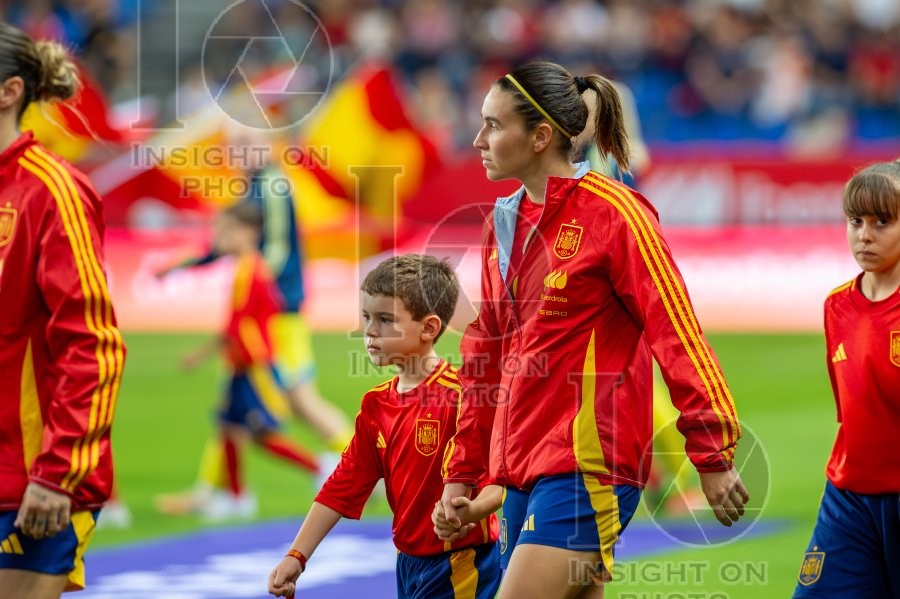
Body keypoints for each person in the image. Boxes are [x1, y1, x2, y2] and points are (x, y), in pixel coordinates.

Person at [439, 60, 749, 599]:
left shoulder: (617, 214)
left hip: (588, 466)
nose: (477, 138)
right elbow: (484, 356)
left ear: (539, 136)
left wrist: (712, 453)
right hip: (522, 472)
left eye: (492, 124)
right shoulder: (502, 223)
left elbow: (676, 332)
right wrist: (462, 470)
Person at [268, 254, 501, 599]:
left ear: (429, 328)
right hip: (408, 561)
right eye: (366, 317)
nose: (370, 331)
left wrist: (475, 510)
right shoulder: (376, 405)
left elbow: (507, 478)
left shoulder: (464, 397)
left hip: (460, 561)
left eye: (385, 320)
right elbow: (343, 485)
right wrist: (297, 555)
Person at [155, 128, 352, 518]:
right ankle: (216, 489)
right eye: (232, 149)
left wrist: (260, 293)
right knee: (249, 401)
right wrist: (190, 264)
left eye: (244, 148)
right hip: (275, 313)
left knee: (294, 400)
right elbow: (236, 243)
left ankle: (365, 468)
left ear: (265, 148)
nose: (236, 155)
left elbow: (275, 246)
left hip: (279, 315)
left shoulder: (273, 184)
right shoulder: (257, 186)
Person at [0, 23, 125, 598]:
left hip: (26, 485)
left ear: (10, 91)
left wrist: (57, 473)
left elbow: (93, 346)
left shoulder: (50, 190)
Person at [793, 160, 900, 598]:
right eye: (856, 221)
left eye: (883, 222)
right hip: (848, 499)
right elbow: (850, 413)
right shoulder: (836, 305)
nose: (865, 234)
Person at [182, 201, 322, 518]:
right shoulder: (247, 267)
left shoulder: (251, 269)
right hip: (241, 363)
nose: (219, 237)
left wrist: (200, 355)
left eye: (225, 230)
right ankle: (237, 496)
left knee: (261, 433)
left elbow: (238, 324)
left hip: (253, 366)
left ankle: (320, 469)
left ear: (248, 233)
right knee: (229, 427)